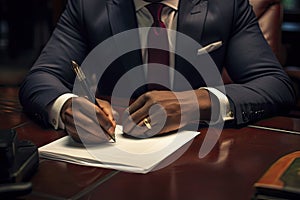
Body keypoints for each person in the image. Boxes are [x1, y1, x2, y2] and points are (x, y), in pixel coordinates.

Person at [19, 0, 295, 143]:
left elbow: (276, 84)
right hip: (109, 158)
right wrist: (66, 105)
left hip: (200, 160)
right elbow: (41, 78)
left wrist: (198, 102)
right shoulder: (88, 5)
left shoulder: (226, 5)